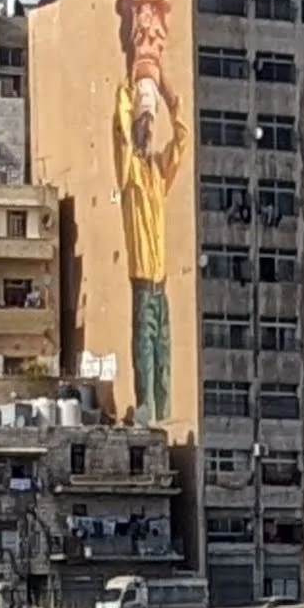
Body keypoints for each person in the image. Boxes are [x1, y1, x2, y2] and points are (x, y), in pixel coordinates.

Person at [113, 71, 187, 422]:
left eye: (150, 123)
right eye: (143, 122)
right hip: (142, 281)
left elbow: (182, 142)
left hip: (161, 282)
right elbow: (122, 137)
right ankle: (147, 408)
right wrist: (131, 92)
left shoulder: (158, 171)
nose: (147, 129)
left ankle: (163, 412)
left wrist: (175, 105)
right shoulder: (129, 173)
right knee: (144, 348)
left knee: (164, 350)